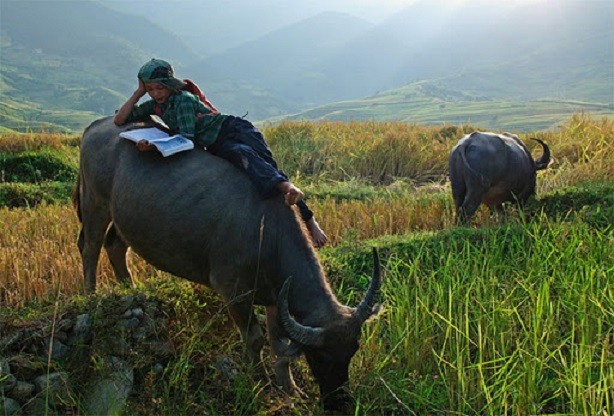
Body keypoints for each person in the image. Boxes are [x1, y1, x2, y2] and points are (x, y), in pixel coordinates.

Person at [114, 58, 328, 248]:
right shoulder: (157, 105)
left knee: (258, 164)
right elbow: (119, 119)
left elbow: (187, 138)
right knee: (242, 156)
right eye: (150, 89)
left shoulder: (183, 101)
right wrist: (138, 93)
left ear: (170, 85)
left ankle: (305, 215)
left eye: (159, 88)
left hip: (234, 129)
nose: (155, 93)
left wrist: (154, 146)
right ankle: (287, 193)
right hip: (216, 142)